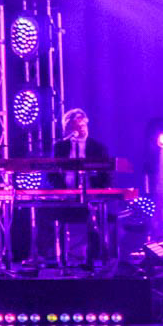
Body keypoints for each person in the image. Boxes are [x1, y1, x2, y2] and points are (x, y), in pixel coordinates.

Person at [41, 108, 113, 268]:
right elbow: (51, 173)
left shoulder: (98, 147)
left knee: (94, 218)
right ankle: (59, 259)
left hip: (91, 197)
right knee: (45, 213)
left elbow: (107, 175)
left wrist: (98, 192)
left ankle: (92, 260)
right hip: (65, 197)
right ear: (68, 129)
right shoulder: (60, 147)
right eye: (77, 126)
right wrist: (60, 191)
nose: (81, 129)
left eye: (83, 125)